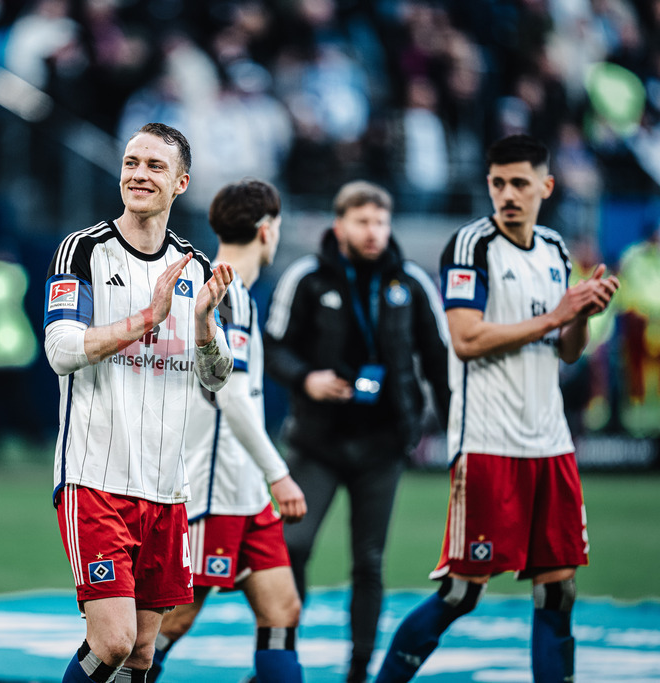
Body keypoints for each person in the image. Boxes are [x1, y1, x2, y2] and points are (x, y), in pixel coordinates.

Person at [375, 134, 620, 682]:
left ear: (546, 187)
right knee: (462, 593)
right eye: (498, 183)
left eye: (520, 183)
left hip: (550, 442)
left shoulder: (556, 250)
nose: (508, 194)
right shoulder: (471, 246)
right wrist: (558, 315)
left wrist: (581, 315)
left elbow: (570, 351)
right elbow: (465, 338)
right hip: (488, 443)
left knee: (558, 591)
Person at [42, 122, 235, 683]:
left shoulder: (194, 268)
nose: (138, 175)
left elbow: (217, 377)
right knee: (114, 640)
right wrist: (146, 320)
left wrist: (200, 325)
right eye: (131, 163)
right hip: (94, 475)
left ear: (181, 183)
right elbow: (60, 349)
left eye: (154, 166)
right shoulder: (84, 250)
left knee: (145, 653)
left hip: (165, 486)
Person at [264, 180, 450, 683]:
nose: (374, 232)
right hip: (316, 443)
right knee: (294, 548)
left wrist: (457, 438)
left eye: (381, 222)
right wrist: (308, 377)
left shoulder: (410, 283)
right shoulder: (305, 276)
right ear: (339, 225)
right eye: (363, 221)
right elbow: (273, 347)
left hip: (382, 445)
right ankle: (283, 660)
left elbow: (438, 362)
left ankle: (358, 671)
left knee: (369, 561)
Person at [148, 179, 308, 683]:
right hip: (213, 487)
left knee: (282, 610)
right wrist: (279, 473)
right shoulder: (226, 290)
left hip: (243, 490)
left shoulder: (224, 286)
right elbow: (232, 395)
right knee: (170, 620)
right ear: (267, 230)